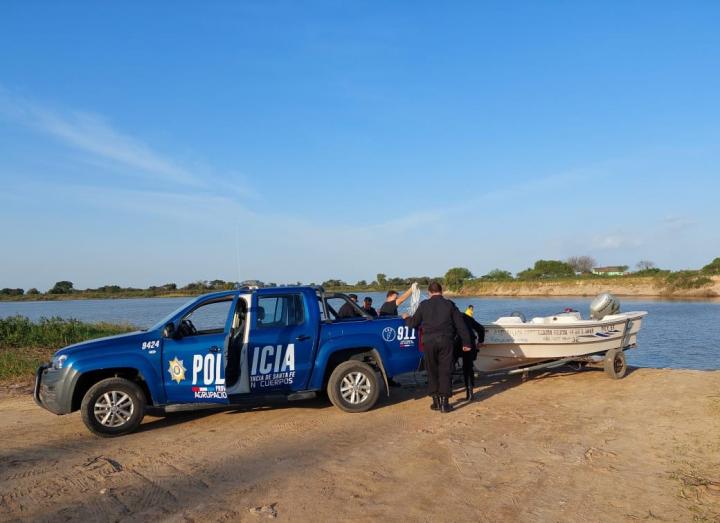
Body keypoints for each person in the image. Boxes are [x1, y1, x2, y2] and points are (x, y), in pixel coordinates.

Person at [405, 281, 472, 413]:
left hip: (429, 342)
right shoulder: (449, 304)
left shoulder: (424, 305)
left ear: (429, 292)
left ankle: (435, 402)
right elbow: (461, 325)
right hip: (446, 341)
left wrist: (406, 317)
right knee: (445, 371)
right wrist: (467, 343)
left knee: (432, 371)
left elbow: (413, 324)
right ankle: (445, 404)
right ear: (441, 291)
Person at [454, 313, 484, 401]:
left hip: (455, 344)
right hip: (469, 343)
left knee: (449, 367)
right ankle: (470, 394)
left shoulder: (447, 316)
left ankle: (447, 393)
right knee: (468, 368)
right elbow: (480, 328)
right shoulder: (465, 316)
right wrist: (480, 341)